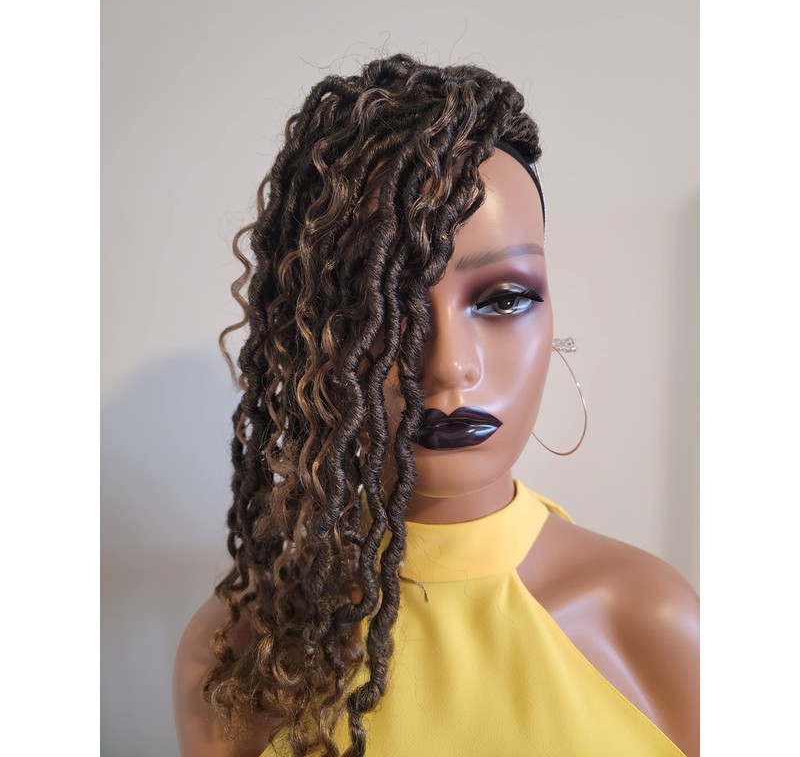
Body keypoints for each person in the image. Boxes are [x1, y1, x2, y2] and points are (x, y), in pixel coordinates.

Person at [173, 54, 699, 757]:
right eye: (383, 307)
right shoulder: (240, 659)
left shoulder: (654, 622)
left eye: (503, 299)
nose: (448, 365)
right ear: (312, 337)